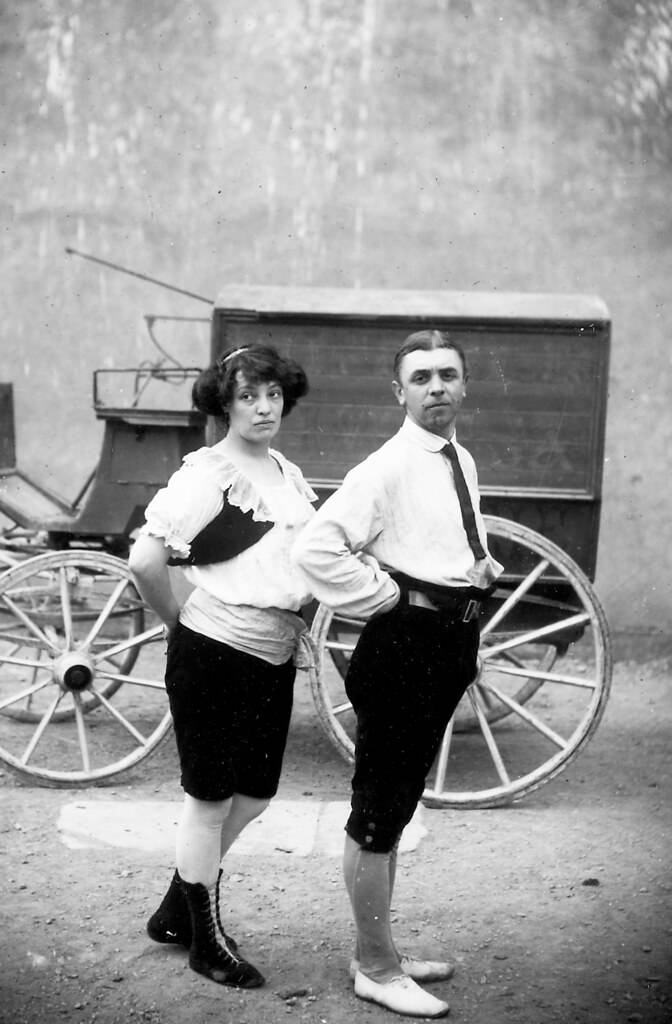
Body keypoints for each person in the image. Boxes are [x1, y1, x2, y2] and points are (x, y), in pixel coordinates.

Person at [293, 330, 503, 1019]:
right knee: (378, 814)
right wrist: (388, 599)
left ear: (464, 385)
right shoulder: (382, 468)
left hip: (448, 643)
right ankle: (376, 969)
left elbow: (440, 536)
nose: (436, 387)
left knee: (400, 801)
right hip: (404, 648)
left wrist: (476, 571)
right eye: (421, 378)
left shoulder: (458, 458)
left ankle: (377, 948)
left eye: (447, 375)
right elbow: (318, 549)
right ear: (400, 392)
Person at [128, 343, 315, 990]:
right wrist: (177, 621)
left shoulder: (284, 472)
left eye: (271, 395)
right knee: (208, 803)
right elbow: (146, 561)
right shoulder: (208, 476)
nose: (262, 408)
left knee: (256, 796)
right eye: (246, 396)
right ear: (224, 403)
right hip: (212, 653)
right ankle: (204, 940)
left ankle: (176, 908)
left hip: (271, 653)